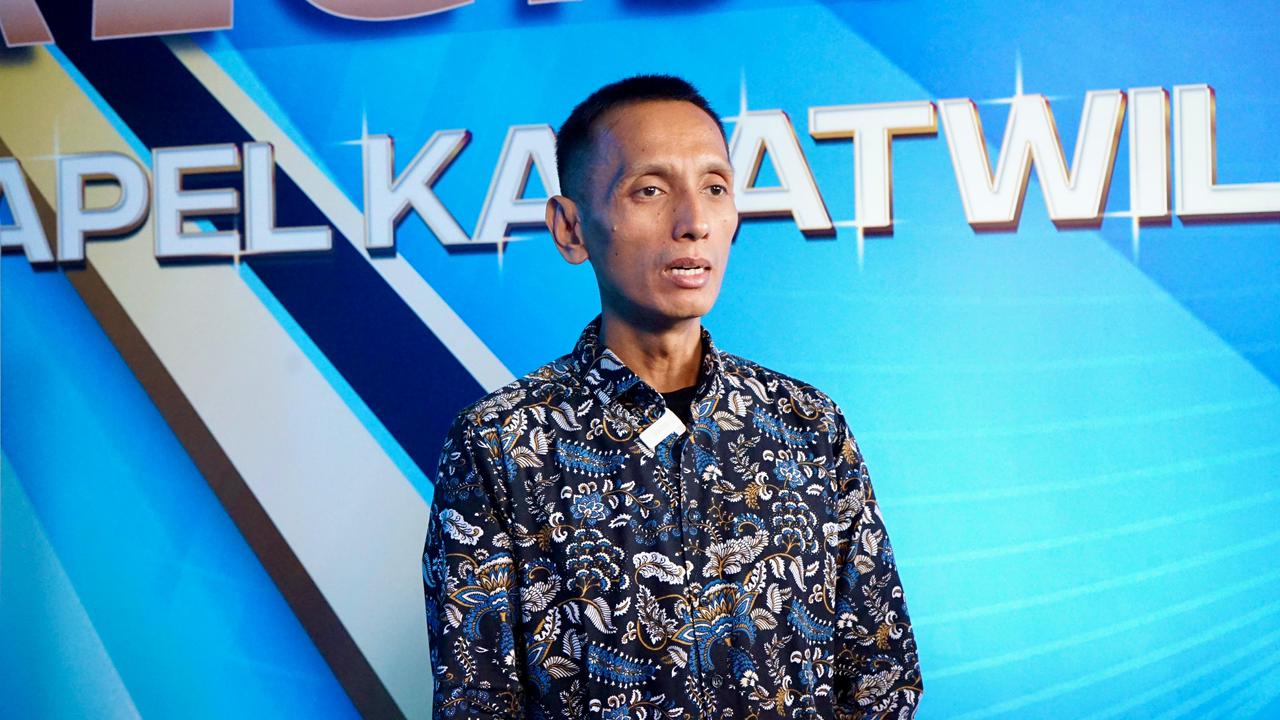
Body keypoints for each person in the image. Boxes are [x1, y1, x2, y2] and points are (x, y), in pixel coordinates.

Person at [422, 74, 922, 719]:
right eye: (650, 190)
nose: (693, 223)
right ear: (571, 228)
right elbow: (478, 701)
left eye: (714, 188)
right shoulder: (501, 445)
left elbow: (881, 675)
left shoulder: (807, 426)